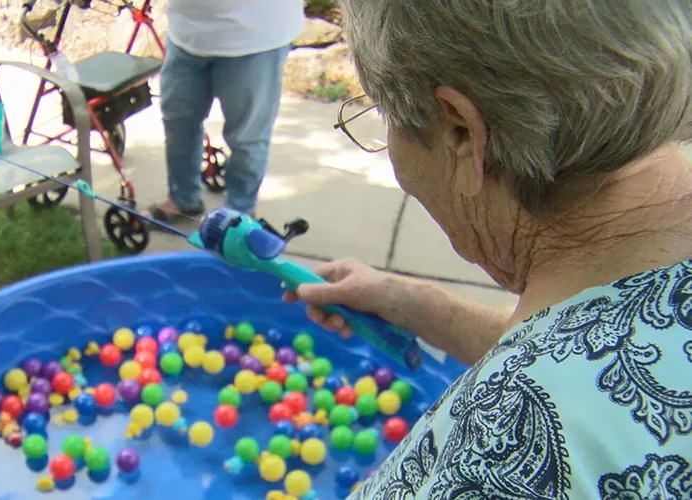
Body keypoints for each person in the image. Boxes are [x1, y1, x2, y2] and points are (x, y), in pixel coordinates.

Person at [285, 1, 692, 498]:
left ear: (460, 131)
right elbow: (598, 349)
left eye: (381, 111)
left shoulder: (496, 458)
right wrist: (415, 305)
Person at [145, 0, 304, 222]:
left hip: (255, 38)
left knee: (247, 137)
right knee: (178, 122)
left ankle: (237, 216)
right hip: (187, 32)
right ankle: (183, 199)